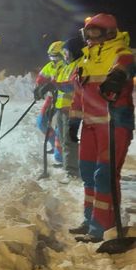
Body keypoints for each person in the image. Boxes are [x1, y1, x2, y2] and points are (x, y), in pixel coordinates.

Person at [69, 13, 135, 243]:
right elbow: (79, 94)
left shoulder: (121, 53)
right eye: (86, 32)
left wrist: (118, 76)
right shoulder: (84, 60)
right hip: (90, 127)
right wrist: (74, 119)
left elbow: (127, 64)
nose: (89, 37)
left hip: (114, 124)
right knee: (88, 173)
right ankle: (90, 219)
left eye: (94, 32)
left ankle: (104, 227)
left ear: (109, 33)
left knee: (105, 176)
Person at [54, 37, 84, 184]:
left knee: (69, 140)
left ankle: (72, 171)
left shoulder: (79, 64)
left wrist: (55, 85)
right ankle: (68, 166)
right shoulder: (67, 66)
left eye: (67, 52)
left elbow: (73, 85)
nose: (65, 55)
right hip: (61, 108)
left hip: (71, 109)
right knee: (62, 138)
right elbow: (60, 86)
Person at [34, 41, 64, 164]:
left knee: (60, 128)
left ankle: (61, 156)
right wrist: (38, 88)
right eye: (51, 56)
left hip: (64, 100)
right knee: (41, 122)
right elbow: (41, 78)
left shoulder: (66, 66)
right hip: (51, 98)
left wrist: (52, 86)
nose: (53, 59)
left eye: (55, 56)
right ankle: (53, 144)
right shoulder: (50, 66)